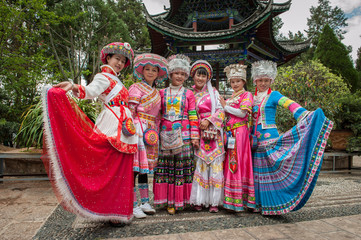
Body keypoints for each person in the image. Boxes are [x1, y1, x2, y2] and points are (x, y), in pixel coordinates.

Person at [41, 42, 137, 225]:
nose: (119, 63)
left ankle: (117, 211)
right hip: (112, 123)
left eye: (123, 61)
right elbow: (91, 91)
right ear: (108, 58)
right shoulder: (103, 77)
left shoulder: (117, 80)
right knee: (110, 169)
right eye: (117, 59)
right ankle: (107, 209)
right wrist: (73, 86)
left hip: (125, 125)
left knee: (121, 170)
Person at [250, 60, 333, 215]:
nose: (263, 83)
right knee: (257, 172)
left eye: (266, 80)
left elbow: (290, 105)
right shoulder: (250, 97)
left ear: (271, 81)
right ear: (255, 80)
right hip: (254, 140)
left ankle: (273, 204)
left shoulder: (274, 95)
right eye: (260, 80)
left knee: (271, 172)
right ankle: (257, 203)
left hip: (270, 138)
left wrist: (306, 115)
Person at [153, 54, 200, 215]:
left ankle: (184, 200)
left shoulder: (189, 94)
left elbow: (193, 114)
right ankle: (168, 201)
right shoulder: (160, 93)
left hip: (184, 134)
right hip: (164, 134)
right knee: (167, 168)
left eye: (182, 74)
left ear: (186, 76)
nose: (179, 76)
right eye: (176, 73)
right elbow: (157, 115)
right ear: (170, 74)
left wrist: (195, 136)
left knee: (182, 167)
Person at [128, 53, 168, 218]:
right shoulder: (135, 88)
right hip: (138, 128)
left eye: (154, 70)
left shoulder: (158, 93)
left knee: (145, 169)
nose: (151, 72)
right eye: (147, 69)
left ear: (158, 73)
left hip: (151, 131)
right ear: (142, 71)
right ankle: (132, 204)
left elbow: (158, 116)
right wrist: (129, 131)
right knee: (135, 169)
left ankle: (145, 201)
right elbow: (130, 112)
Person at [189, 60, 225, 213]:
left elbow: (222, 111)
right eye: (198, 75)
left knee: (215, 166)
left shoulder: (214, 92)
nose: (201, 78)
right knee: (200, 166)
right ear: (193, 76)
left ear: (208, 78)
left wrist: (209, 120)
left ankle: (214, 202)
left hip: (213, 133)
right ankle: (199, 200)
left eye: (204, 76)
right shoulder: (189, 93)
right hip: (197, 132)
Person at [219, 64, 256, 212]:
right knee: (231, 162)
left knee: (237, 162)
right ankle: (231, 199)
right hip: (230, 134)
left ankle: (238, 200)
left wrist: (225, 106)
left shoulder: (247, 95)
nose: (235, 84)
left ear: (244, 82)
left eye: (238, 81)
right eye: (232, 82)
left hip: (239, 132)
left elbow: (242, 114)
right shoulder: (232, 97)